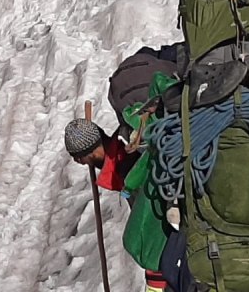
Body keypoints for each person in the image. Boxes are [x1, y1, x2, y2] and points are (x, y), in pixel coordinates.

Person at [66, 117, 173, 291]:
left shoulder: (127, 164)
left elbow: (151, 222)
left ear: (81, 158)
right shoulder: (125, 142)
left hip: (165, 252)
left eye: (79, 159)